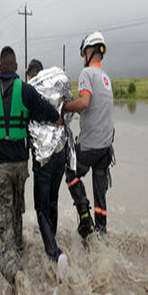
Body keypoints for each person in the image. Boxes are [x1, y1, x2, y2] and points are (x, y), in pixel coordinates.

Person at [0, 46, 61, 291]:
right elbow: (44, 110)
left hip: (1, 166)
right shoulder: (25, 90)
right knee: (17, 211)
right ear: (16, 68)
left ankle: (14, 272)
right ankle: (19, 251)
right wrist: (57, 117)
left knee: (5, 220)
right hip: (20, 165)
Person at [64, 31, 115, 238]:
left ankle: (85, 218)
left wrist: (66, 106)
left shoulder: (86, 74)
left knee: (70, 173)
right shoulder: (106, 77)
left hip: (89, 145)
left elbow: (84, 103)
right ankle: (101, 231)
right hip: (105, 147)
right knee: (99, 193)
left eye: (84, 52)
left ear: (89, 51)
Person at [27, 59, 69, 277]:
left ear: (31, 74)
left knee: (41, 208)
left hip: (43, 160)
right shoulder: (58, 88)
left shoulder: (30, 91)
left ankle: (54, 254)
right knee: (52, 202)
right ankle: (52, 240)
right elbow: (66, 116)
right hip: (60, 156)